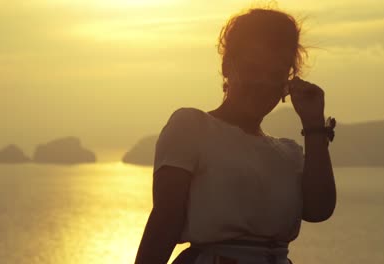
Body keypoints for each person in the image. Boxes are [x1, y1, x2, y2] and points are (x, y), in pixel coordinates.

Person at [135, 6, 336, 264]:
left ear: (288, 83)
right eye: (252, 69)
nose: (263, 82)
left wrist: (314, 125)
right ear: (227, 65)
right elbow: (164, 221)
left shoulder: (289, 153)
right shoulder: (192, 126)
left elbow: (319, 210)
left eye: (275, 74)